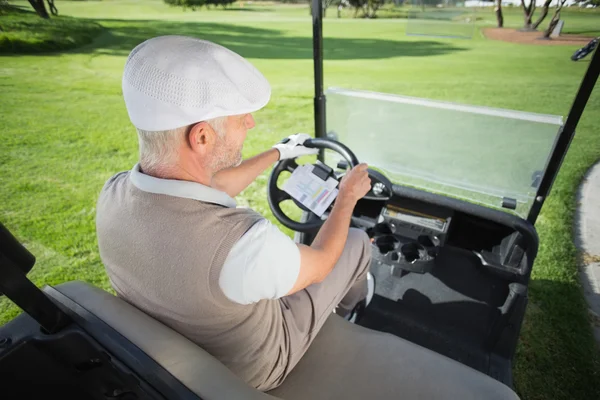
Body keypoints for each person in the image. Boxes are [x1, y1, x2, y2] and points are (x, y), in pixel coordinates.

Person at [95, 35, 373, 392]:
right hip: (259, 365)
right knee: (355, 240)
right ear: (202, 138)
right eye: (242, 119)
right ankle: (351, 306)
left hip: (183, 343)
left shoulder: (114, 194)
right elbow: (320, 263)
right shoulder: (241, 245)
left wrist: (278, 153)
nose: (251, 124)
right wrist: (347, 197)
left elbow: (213, 186)